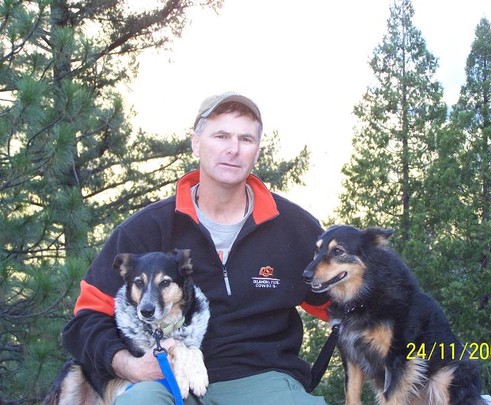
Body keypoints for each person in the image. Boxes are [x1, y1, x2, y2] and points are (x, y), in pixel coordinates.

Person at [62, 92, 330, 404]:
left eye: (245, 139)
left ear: (257, 151)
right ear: (196, 143)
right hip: (167, 379)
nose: (233, 149)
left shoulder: (295, 228)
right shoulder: (147, 230)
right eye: (221, 136)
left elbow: (343, 302)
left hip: (266, 379)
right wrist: (129, 366)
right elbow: (87, 318)